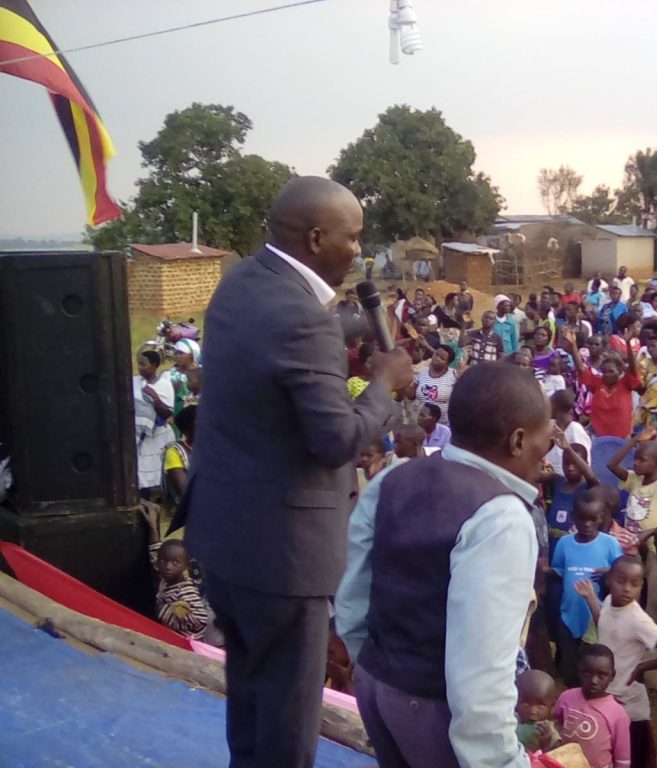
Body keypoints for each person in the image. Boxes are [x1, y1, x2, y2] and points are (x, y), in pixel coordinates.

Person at [183, 178, 412, 768]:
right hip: (284, 556)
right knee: (287, 725)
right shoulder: (303, 319)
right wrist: (384, 384)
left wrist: (351, 337)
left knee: (250, 701)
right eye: (352, 238)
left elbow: (274, 363)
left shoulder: (241, 281)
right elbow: (335, 441)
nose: (358, 252)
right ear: (315, 238)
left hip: (225, 537)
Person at [336, 363, 550, 768]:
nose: (549, 447)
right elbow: (482, 671)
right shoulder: (501, 517)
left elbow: (353, 594)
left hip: (377, 687)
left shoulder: (394, 478)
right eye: (546, 435)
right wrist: (501, 760)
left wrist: (375, 667)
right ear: (519, 440)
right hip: (436, 713)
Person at [575, 556, 657, 767]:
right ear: (609, 580)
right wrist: (590, 598)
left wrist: (642, 667)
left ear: (641, 586)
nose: (627, 589)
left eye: (635, 584)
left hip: (627, 702)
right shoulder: (609, 601)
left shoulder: (638, 620)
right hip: (606, 693)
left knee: (632, 757)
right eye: (621, 581)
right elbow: (604, 623)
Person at [551, 487, 625, 685]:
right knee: (569, 670)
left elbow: (622, 574)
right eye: (582, 519)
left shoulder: (610, 544)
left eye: (593, 519)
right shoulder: (564, 543)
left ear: (602, 517)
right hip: (569, 615)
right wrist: (543, 570)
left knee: (592, 668)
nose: (587, 524)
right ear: (573, 516)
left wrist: (609, 573)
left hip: (596, 618)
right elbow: (558, 571)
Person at [552, 644, 632, 768]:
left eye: (601, 675)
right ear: (578, 671)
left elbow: (622, 757)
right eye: (587, 673)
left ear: (612, 676)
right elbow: (556, 722)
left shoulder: (618, 714)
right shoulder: (566, 697)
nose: (594, 680)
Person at [607, 426, 657, 539]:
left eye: (642, 460)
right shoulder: (634, 479)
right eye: (635, 458)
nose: (635, 463)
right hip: (630, 540)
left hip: (652, 542)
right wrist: (635, 440)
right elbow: (611, 465)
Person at [564, 329, 638, 439]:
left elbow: (633, 368)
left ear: (619, 371)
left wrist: (628, 344)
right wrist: (573, 345)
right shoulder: (598, 383)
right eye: (604, 372)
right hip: (598, 437)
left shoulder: (625, 384)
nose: (607, 375)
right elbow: (581, 368)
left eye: (611, 371)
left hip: (621, 438)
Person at [133, 349, 176, 493]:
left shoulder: (164, 384)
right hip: (139, 435)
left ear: (154, 365)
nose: (140, 367)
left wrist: (154, 397)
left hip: (157, 434)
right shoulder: (134, 382)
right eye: (139, 364)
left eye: (143, 364)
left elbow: (167, 412)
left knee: (158, 470)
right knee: (140, 473)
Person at [515, 670, 560, 752]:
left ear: (552, 707)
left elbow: (556, 756)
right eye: (526, 703)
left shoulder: (548, 731)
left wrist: (545, 744)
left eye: (540, 705)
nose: (533, 711)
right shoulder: (510, 721)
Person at [414, 345, 458, 425]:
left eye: (442, 358)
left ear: (448, 363)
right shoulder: (423, 371)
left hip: (445, 424)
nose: (437, 358)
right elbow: (411, 395)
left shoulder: (453, 375)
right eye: (436, 354)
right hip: (423, 423)